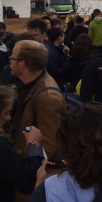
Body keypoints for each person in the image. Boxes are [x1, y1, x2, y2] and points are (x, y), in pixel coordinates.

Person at [9, 40, 68, 169]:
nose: (10, 61)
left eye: (12, 58)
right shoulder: (28, 84)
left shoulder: (48, 98)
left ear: (22, 64)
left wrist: (23, 164)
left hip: (33, 171)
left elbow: (50, 145)